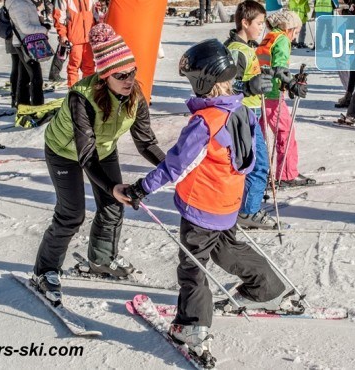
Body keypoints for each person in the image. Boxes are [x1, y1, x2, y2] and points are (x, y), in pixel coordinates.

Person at [121, 39, 301, 364]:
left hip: (201, 207)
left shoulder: (204, 123)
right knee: (228, 249)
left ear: (202, 82)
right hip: (227, 203)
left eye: (192, 81)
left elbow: (176, 165)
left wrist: (141, 189)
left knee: (193, 266)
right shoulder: (242, 110)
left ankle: (193, 326)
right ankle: (267, 289)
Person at [32, 23, 166, 303]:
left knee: (113, 205)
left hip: (104, 149)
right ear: (105, 76)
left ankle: (101, 260)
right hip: (65, 152)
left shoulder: (135, 96)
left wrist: (173, 167)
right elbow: (86, 155)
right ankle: (44, 271)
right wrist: (111, 185)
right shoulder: (81, 98)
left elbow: (146, 142)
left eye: (132, 72)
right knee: (72, 214)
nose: (129, 80)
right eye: (121, 75)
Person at [223, 1, 280, 230]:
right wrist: (247, 87)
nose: (261, 28)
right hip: (242, 112)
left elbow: (251, 74)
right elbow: (226, 84)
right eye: (258, 23)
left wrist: (274, 74)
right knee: (258, 164)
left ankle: (247, 203)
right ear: (245, 23)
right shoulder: (236, 50)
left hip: (251, 111)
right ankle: (248, 211)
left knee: (254, 162)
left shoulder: (247, 47)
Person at [256, 10, 313, 187]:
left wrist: (289, 81)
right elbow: (279, 68)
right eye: (295, 33)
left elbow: (271, 65)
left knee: (259, 134)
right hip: (272, 94)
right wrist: (291, 83)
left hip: (261, 90)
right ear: (289, 28)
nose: (295, 37)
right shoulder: (281, 39)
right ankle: (286, 174)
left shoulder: (270, 36)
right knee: (285, 132)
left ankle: (256, 171)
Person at [6, 0, 49, 106]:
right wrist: (43, 29)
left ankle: (22, 103)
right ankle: (37, 106)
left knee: (24, 75)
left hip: (27, 42)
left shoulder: (24, 2)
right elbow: (25, 28)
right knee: (36, 76)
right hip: (25, 43)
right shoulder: (18, 4)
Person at [52, 0, 96, 87]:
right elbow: (59, 17)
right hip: (74, 39)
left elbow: (96, 15)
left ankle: (88, 90)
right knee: (74, 67)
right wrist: (62, 35)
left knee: (90, 66)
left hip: (90, 38)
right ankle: (73, 92)